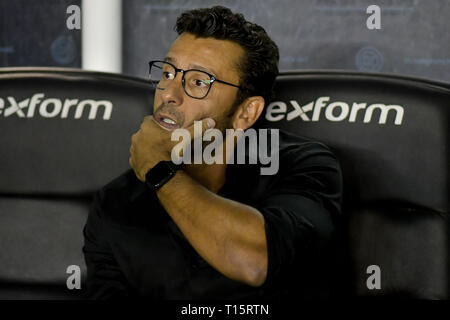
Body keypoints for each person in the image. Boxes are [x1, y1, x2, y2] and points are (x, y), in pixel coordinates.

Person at [82, 5, 343, 300]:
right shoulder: (116, 202)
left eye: (198, 82)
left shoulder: (304, 166)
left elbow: (255, 262)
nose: (169, 93)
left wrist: (159, 170)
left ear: (246, 112)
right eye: (168, 73)